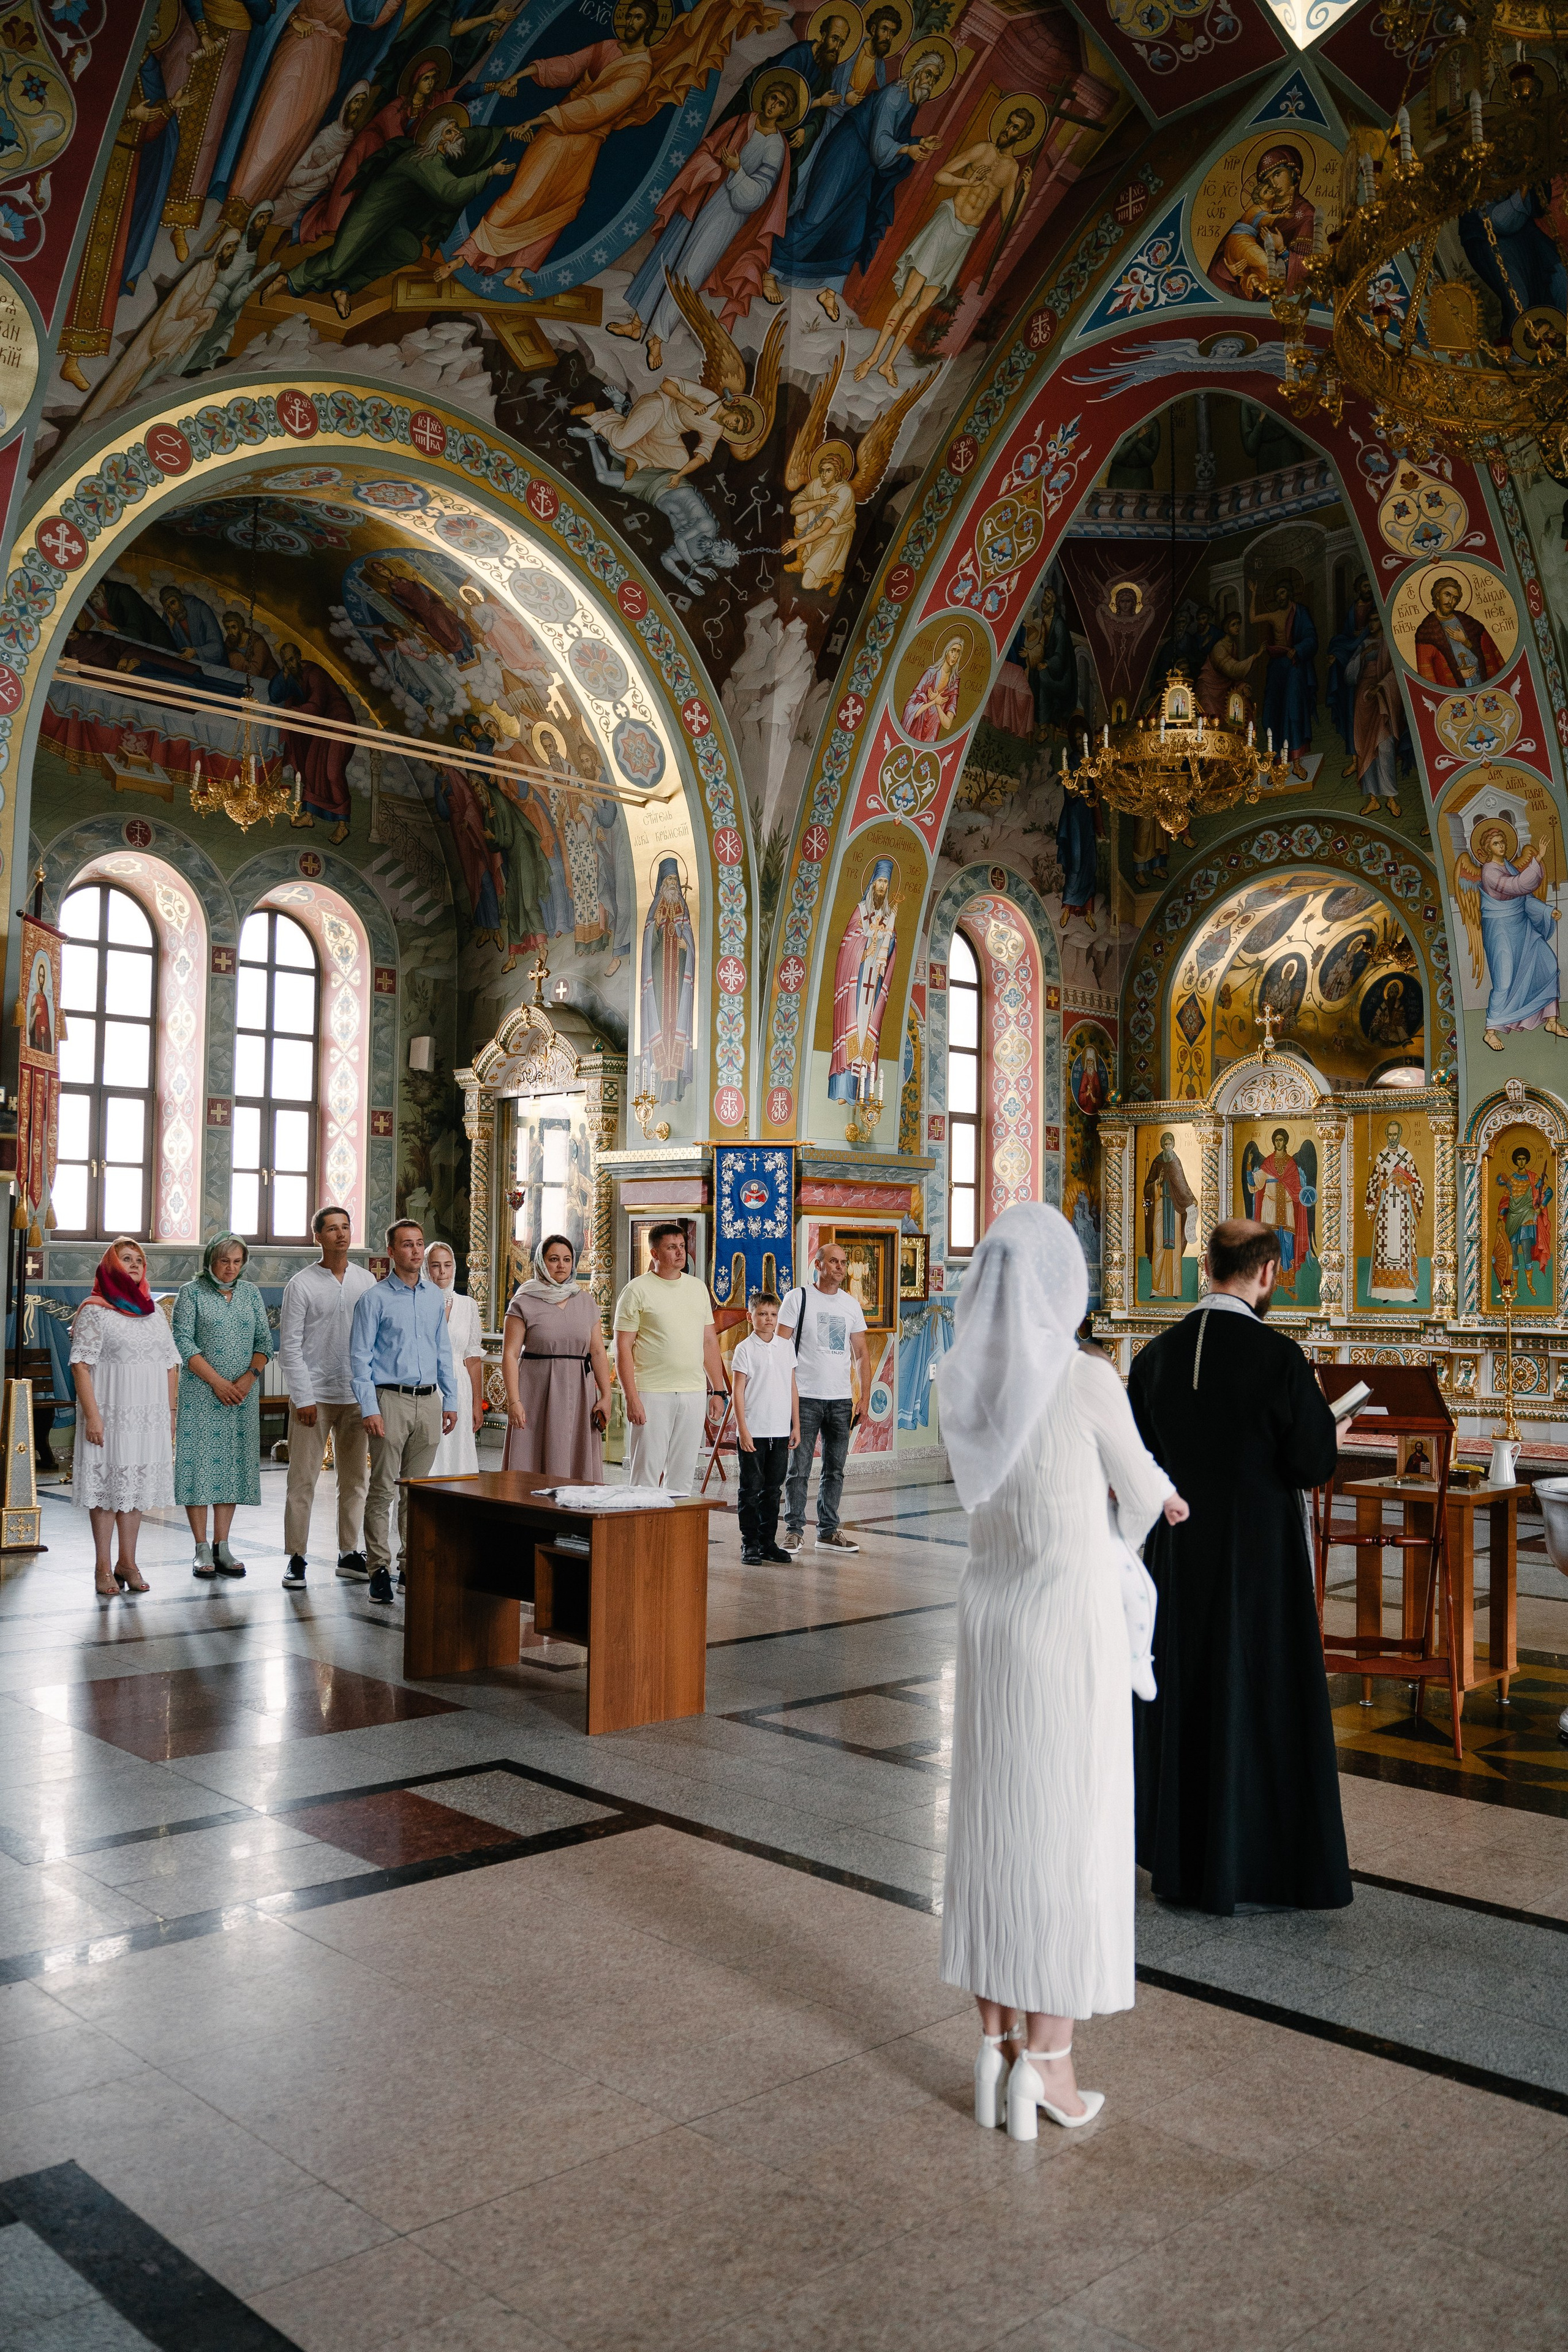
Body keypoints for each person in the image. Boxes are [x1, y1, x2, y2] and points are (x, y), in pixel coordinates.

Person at [938, 1204, 1184, 2138]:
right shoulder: (1084, 1380)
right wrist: (1163, 1500)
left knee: (994, 1826)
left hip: (991, 1619)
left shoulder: (962, 1380)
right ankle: (1051, 2066)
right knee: (1071, 1833)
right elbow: (1136, 1482)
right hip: (1067, 1626)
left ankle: (995, 2046)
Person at [1128, 1218, 1352, 1915]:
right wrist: (1331, 1429)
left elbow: (1137, 1459)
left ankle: (1182, 1862)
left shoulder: (1154, 1355)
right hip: (1259, 1560)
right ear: (1264, 1275)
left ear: (1208, 1270)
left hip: (1177, 1551)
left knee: (1186, 1694)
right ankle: (1255, 1864)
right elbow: (1309, 1463)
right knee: (1258, 1697)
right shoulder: (1279, 1356)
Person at [350, 1219, 461, 1605]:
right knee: (382, 1488)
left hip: (429, 1401)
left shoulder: (434, 1297)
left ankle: (409, 1564)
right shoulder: (374, 1299)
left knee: (416, 1491)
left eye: (420, 1244)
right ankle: (378, 1568)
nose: (416, 1251)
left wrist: (451, 1400)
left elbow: (442, 1351)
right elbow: (360, 1359)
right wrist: (369, 1408)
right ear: (392, 1252)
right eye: (407, 1245)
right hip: (389, 1401)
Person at [69, 1239, 181, 1599]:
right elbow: (81, 1366)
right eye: (126, 1259)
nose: (134, 1265)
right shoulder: (95, 1310)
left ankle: (128, 1563)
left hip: (147, 1416)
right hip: (110, 1411)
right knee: (106, 1493)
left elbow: (170, 1364)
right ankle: (103, 1566)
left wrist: (170, 1413)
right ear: (111, 1266)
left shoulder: (153, 1312)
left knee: (132, 1492)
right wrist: (93, 1417)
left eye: (139, 1260)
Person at [277, 1205, 377, 1591]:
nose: (340, 1234)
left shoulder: (366, 1282)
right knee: (302, 1480)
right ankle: (296, 1557)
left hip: (355, 1396)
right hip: (313, 1398)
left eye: (345, 1227)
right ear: (317, 1235)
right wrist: (303, 1397)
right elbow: (290, 1347)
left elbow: (373, 1342)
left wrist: (370, 1396)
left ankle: (349, 1552)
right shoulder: (301, 1284)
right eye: (331, 1229)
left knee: (355, 1480)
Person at [173, 1234, 273, 1580]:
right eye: (223, 1261)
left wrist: (248, 1379)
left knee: (231, 1465)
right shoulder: (191, 1293)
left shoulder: (251, 1294)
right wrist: (217, 1382)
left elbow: (264, 1343)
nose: (230, 1268)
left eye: (237, 1261)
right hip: (202, 1394)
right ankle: (201, 1547)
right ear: (210, 1261)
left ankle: (223, 1545)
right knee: (200, 1466)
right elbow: (183, 1342)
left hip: (241, 1397)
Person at [613, 1223, 725, 1497]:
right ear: (654, 1252)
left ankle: (674, 1538)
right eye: (671, 1247)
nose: (680, 1252)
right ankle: (641, 1536)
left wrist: (718, 1390)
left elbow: (709, 1342)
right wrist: (632, 1398)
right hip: (652, 1392)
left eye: (682, 1246)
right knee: (646, 1474)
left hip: (693, 1391)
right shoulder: (636, 1290)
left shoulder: (698, 1289)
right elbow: (622, 1348)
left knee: (683, 1473)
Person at [778, 1240, 869, 1554]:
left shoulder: (850, 1304)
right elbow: (780, 1348)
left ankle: (828, 1531)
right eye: (834, 1262)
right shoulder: (797, 1298)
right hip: (805, 1397)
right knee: (798, 1468)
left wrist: (864, 1396)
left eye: (843, 1262)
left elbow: (860, 1354)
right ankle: (794, 1530)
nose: (841, 1267)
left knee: (835, 1469)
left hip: (841, 1400)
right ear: (818, 1265)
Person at [502, 1235, 612, 1480]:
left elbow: (596, 1351)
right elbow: (509, 1354)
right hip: (536, 1390)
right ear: (541, 1262)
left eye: (567, 1259)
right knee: (534, 1454)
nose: (561, 1265)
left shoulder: (585, 1301)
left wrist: (606, 1395)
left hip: (579, 1391)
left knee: (576, 1454)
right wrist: (514, 1401)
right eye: (554, 1259)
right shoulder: (524, 1301)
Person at [731, 1290, 800, 1566]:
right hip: (754, 1431)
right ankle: (750, 1543)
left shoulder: (786, 1346)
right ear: (751, 1317)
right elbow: (738, 1392)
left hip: (780, 1431)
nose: (769, 1319)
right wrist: (743, 1429)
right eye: (762, 1314)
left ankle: (768, 1543)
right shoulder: (744, 1349)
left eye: (773, 1314)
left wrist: (796, 1425)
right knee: (750, 1490)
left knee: (773, 1490)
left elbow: (793, 1386)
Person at [424, 1242, 487, 1476]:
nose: (442, 1272)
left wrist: (477, 1404)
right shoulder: (418, 1302)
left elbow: (473, 1357)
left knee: (458, 1451)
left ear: (455, 1268)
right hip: (427, 1382)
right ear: (426, 1268)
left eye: (448, 1265)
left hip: (460, 1385)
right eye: (436, 1266)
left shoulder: (468, 1306)